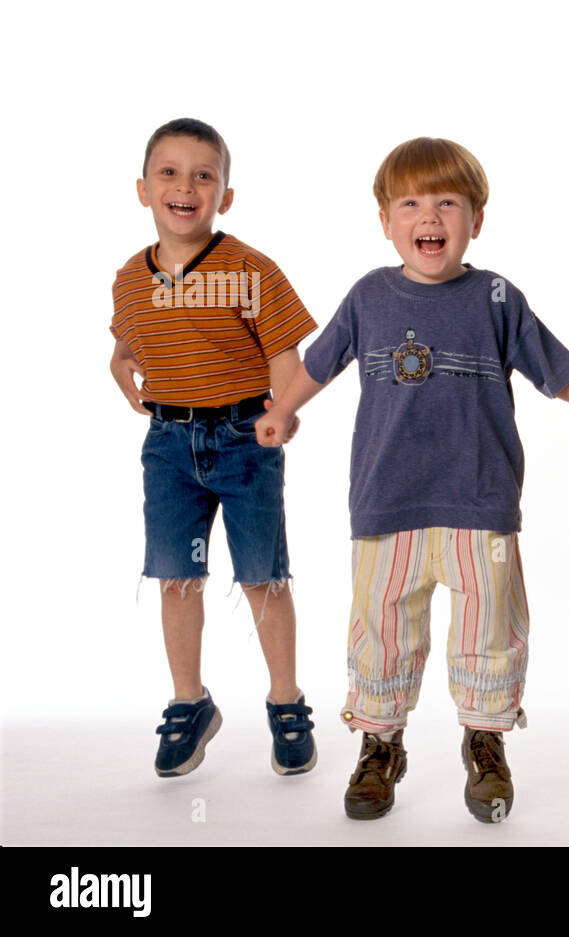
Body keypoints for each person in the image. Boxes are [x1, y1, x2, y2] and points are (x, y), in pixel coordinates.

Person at [256, 137, 569, 823]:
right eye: (411, 204)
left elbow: (558, 368)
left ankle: (485, 744)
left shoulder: (496, 297)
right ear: (386, 220)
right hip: (385, 503)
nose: (430, 217)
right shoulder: (369, 295)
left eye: (448, 204)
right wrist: (282, 409)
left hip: (481, 504)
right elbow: (318, 362)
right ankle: (379, 745)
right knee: (383, 630)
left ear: (476, 220)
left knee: (490, 630)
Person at [110, 117, 319, 779]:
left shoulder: (250, 268)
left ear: (225, 196)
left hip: (242, 440)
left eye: (205, 175)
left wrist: (282, 412)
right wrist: (119, 363)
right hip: (169, 445)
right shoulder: (128, 276)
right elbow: (129, 340)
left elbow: (284, 353)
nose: (186, 186)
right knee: (177, 575)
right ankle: (189, 699)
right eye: (169, 172)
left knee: (262, 575)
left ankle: (285, 700)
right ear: (143, 189)